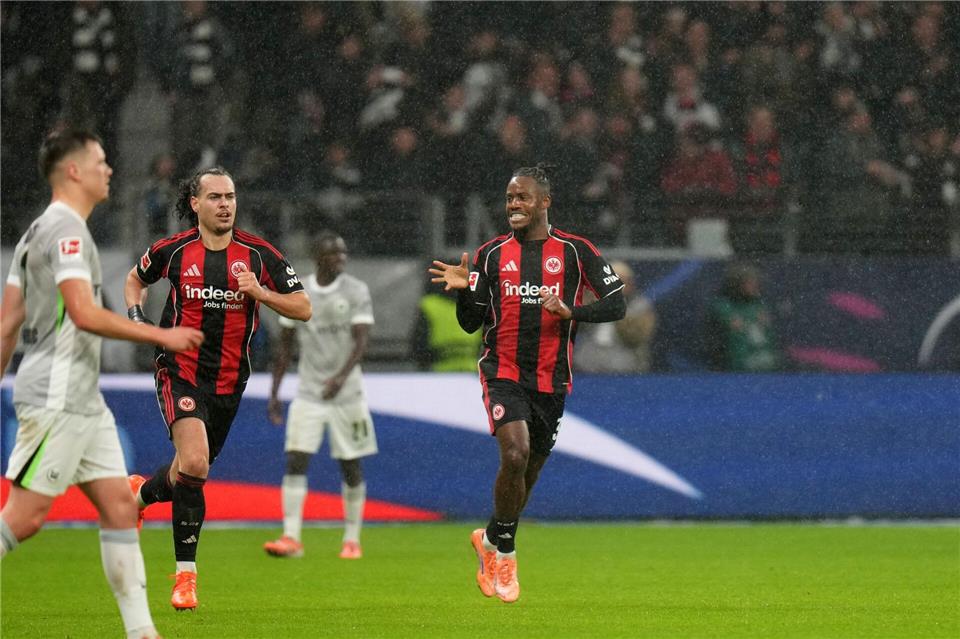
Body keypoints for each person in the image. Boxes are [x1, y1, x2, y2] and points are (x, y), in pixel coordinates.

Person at [0, 129, 204, 639]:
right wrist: (161, 333)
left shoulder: (35, 232)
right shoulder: (66, 231)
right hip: (57, 394)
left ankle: (142, 632)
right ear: (73, 171)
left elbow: (7, 323)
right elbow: (85, 313)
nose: (108, 168)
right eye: (100, 160)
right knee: (23, 519)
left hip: (81, 399)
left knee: (119, 506)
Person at [429, 164, 626, 604]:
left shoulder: (575, 251)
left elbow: (616, 304)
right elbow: (469, 324)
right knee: (514, 454)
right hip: (503, 371)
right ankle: (508, 552)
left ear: (544, 202)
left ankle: (492, 538)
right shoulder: (491, 254)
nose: (514, 205)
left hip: (552, 378)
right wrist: (465, 290)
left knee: (529, 472)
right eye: (509, 198)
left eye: (522, 197)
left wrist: (572, 312)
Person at [123, 166, 311, 611]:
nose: (225, 205)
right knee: (194, 463)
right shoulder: (172, 251)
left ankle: (138, 494)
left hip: (229, 382)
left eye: (230, 197)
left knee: (190, 473)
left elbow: (303, 307)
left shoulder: (259, 255)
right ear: (195, 204)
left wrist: (262, 294)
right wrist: (136, 318)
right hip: (180, 369)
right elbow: (135, 280)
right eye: (215, 198)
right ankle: (185, 578)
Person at [263, 231, 377, 560]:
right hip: (309, 391)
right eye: (334, 254)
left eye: (343, 253)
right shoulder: (299, 292)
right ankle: (291, 537)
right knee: (296, 458)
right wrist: (274, 393)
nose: (341, 258)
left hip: (347, 395)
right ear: (318, 257)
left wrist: (341, 378)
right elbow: (284, 347)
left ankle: (352, 539)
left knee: (349, 464)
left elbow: (361, 342)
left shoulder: (356, 291)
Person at [573, 260, 657, 373]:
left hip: (624, 358)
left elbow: (636, 336)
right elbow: (576, 326)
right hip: (590, 358)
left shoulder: (640, 306)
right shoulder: (593, 300)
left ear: (630, 284)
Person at [702, 263, 782, 372]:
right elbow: (734, 331)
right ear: (737, 284)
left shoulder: (759, 304)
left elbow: (768, 335)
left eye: (756, 282)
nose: (755, 286)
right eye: (750, 282)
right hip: (737, 364)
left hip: (765, 361)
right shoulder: (723, 305)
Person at [410, 273, 482, 372]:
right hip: (472, 374)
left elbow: (418, 347)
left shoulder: (429, 305)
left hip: (439, 375)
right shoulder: (476, 304)